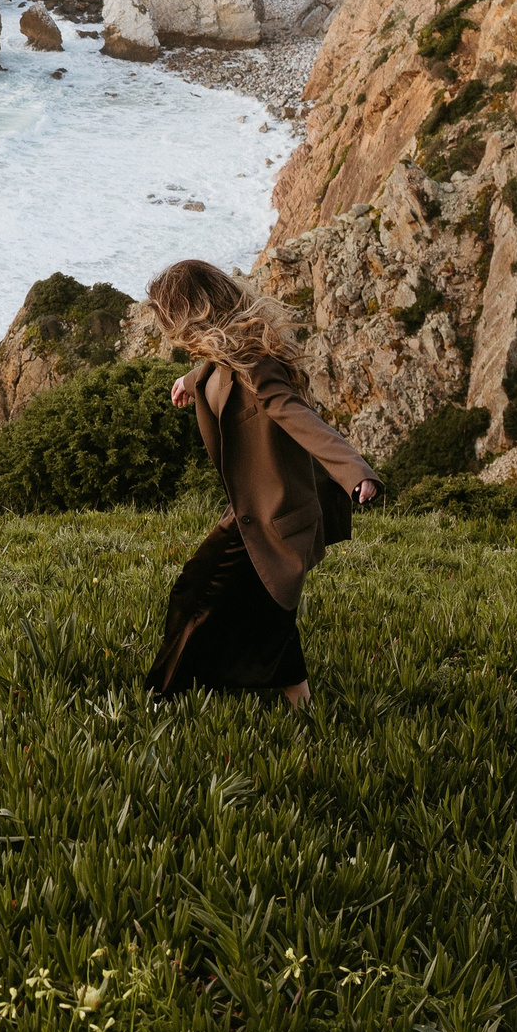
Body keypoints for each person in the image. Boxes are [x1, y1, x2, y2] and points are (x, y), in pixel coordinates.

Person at [145, 259, 380, 708]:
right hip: (253, 507)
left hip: (274, 513)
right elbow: (219, 371)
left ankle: (164, 696)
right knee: (255, 607)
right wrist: (190, 380)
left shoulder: (258, 365)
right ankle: (299, 702)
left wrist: (355, 470)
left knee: (206, 596)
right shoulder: (226, 355)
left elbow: (302, 419)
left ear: (193, 314)